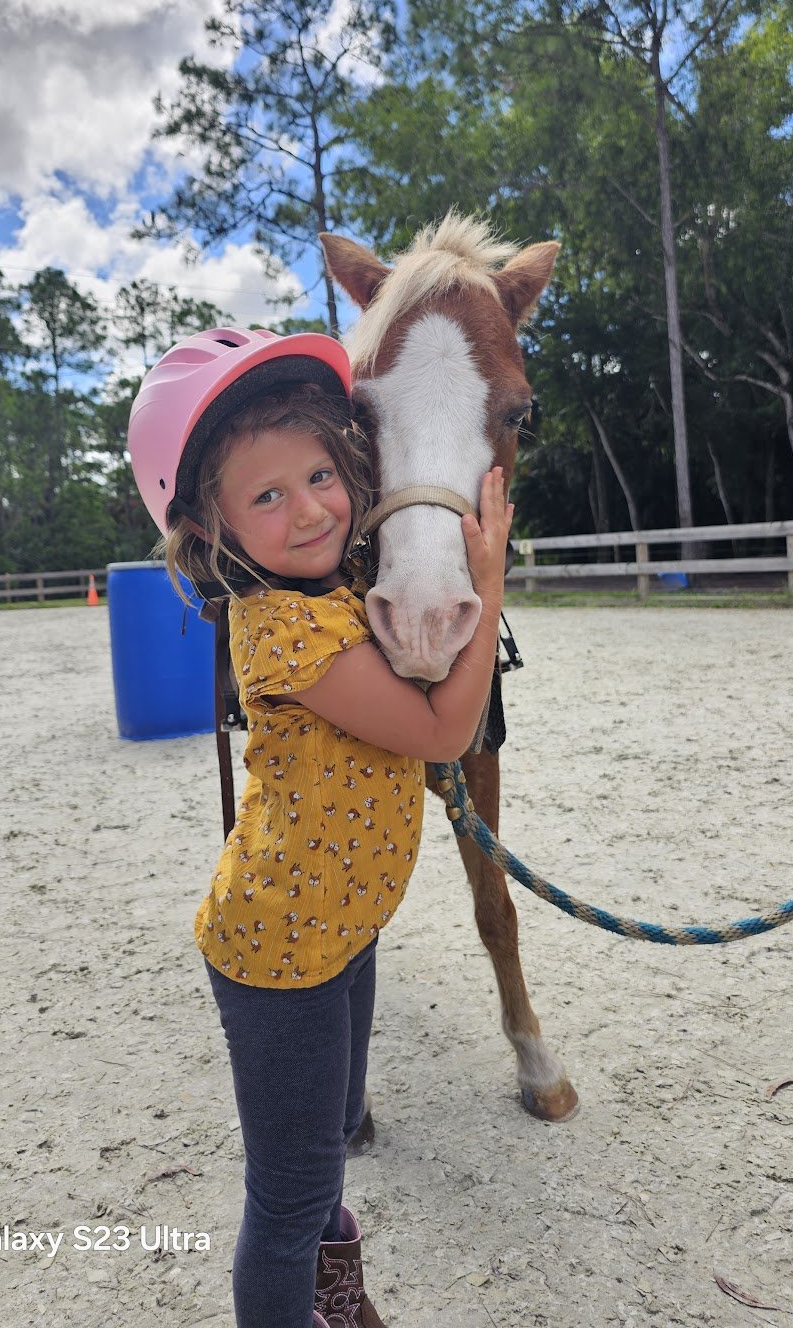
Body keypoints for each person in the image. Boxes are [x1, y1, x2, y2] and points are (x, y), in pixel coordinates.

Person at [128, 326, 512, 1328]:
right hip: (283, 953)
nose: (309, 508)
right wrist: (491, 576)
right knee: (287, 1196)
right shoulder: (286, 630)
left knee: (327, 1132)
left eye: (319, 474)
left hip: (341, 927)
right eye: (266, 495)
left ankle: (335, 1300)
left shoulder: (337, 593)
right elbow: (443, 726)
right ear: (212, 531)